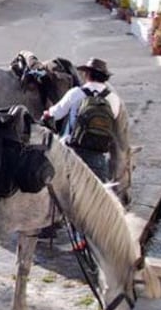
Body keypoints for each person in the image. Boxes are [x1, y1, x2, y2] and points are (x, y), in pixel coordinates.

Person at [40, 58, 121, 250]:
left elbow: (56, 113)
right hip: (99, 154)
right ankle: (95, 236)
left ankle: (50, 226)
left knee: (56, 185)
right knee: (96, 195)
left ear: (87, 74)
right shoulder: (113, 98)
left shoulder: (76, 93)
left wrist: (46, 114)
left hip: (73, 152)